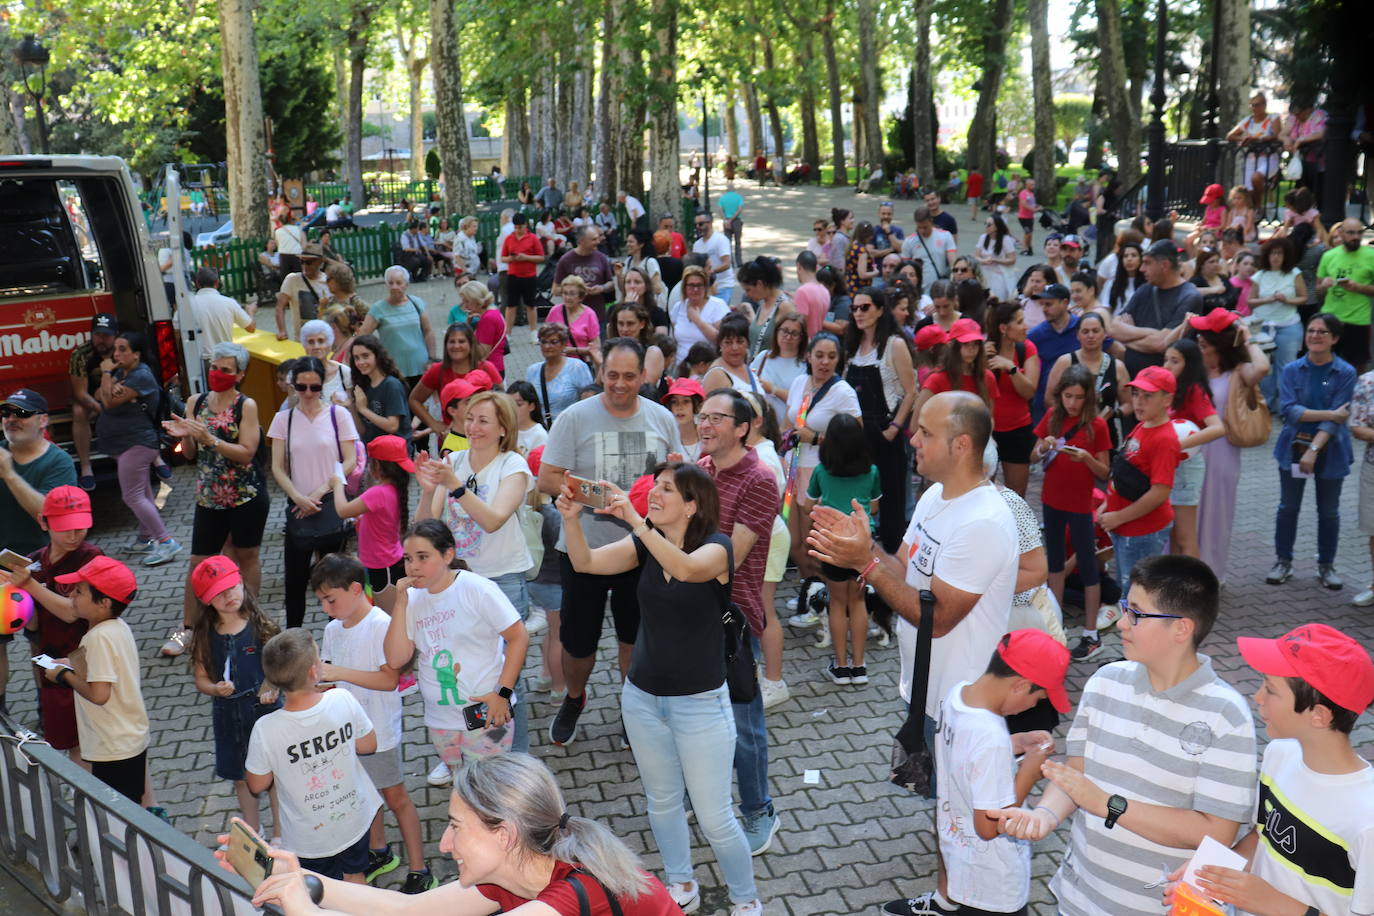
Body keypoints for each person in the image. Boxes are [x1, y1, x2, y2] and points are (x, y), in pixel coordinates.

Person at [806, 391, 1017, 910]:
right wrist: (864, 547)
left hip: (966, 698)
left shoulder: (983, 521)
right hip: (928, 686)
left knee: (967, 813)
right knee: (947, 806)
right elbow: (904, 572)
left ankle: (973, 900)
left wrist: (865, 564)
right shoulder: (934, 496)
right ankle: (948, 898)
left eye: (925, 432)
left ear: (961, 444)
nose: (912, 440)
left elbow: (937, 617)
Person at [556, 463, 765, 915]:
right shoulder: (643, 543)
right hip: (643, 698)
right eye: (654, 486)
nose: (654, 494)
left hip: (701, 705)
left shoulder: (717, 547)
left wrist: (635, 521)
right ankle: (681, 883)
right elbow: (585, 562)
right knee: (663, 802)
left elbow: (687, 570)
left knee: (715, 817)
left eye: (667, 489)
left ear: (692, 505)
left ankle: (746, 900)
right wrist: (572, 520)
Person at [236, 753, 681, 915]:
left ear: (504, 834)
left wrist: (301, 911)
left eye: (454, 827)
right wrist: (307, 884)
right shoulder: (513, 872)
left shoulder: (573, 895)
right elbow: (405, 909)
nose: (444, 846)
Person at [1171, 624, 1374, 916]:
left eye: (1270, 689)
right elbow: (1263, 835)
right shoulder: (1280, 754)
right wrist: (1212, 875)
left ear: (1318, 716)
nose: (1257, 697)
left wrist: (1273, 903)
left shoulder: (1367, 820)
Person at [536, 340, 681, 747]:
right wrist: (596, 498)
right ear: (601, 373)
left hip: (644, 548)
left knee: (635, 638)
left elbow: (678, 476)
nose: (619, 384)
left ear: (644, 377)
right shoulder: (574, 418)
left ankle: (633, 710)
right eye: (612, 375)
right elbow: (547, 478)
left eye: (629, 376)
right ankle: (575, 698)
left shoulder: (662, 418)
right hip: (584, 551)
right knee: (578, 642)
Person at [893, 630, 1068, 916]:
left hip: (960, 859)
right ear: (1021, 685)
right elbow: (989, 827)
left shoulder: (957, 695)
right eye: (1039, 699)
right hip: (994, 884)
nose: (1035, 706)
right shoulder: (991, 738)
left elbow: (967, 756)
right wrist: (1028, 772)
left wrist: (1018, 742)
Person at [311, 554, 434, 894]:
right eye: (320, 601)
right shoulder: (333, 629)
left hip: (378, 732)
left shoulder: (381, 624)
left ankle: (421, 869)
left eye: (330, 599)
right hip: (347, 733)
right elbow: (331, 678)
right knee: (366, 797)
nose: (325, 608)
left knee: (396, 799)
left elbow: (389, 681)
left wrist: (337, 674)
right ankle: (379, 852)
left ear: (354, 589)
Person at [694, 389, 784, 855]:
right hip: (692, 610)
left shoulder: (759, 480)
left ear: (743, 427)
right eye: (701, 416)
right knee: (700, 720)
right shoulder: (702, 470)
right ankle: (710, 801)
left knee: (744, 725)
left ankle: (758, 810)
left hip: (734, 617)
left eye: (715, 418)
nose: (703, 425)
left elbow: (734, 556)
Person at [382, 520, 529, 779]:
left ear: (448, 554)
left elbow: (518, 637)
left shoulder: (476, 589)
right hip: (441, 721)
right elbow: (395, 659)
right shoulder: (413, 600)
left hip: (486, 716)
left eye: (422, 557)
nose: (413, 566)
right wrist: (401, 604)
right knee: (463, 787)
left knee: (489, 791)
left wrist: (502, 693)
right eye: (408, 558)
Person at [243, 628, 381, 883]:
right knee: (355, 875)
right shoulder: (341, 699)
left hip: (308, 835)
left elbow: (256, 784)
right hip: (353, 819)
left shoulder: (266, 728)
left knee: (321, 890)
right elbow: (368, 745)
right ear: (313, 672)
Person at [161, 342, 269, 658]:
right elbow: (192, 455)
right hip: (209, 498)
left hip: (245, 495)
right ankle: (188, 629)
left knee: (246, 557)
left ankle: (250, 621)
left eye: (225, 369)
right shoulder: (196, 402)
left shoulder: (245, 406)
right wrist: (186, 436)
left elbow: (247, 452)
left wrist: (211, 439)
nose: (217, 374)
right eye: (214, 367)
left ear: (239, 374)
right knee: (199, 562)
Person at [0, 486, 99, 762]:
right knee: (70, 744)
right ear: (44, 522)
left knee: (100, 742)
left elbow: (72, 613)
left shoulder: (91, 557)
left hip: (88, 660)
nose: (74, 534)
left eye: (81, 527)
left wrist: (29, 585)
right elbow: (30, 625)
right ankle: (87, 803)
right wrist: (10, 595)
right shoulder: (33, 562)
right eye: (66, 527)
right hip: (52, 664)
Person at [40, 557, 149, 803]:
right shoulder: (117, 627)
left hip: (112, 746)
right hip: (129, 738)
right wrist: (69, 664)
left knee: (121, 813)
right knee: (132, 805)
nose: (72, 597)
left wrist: (63, 676)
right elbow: (105, 668)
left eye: (79, 592)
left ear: (103, 603)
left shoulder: (97, 638)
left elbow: (99, 694)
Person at [186, 556, 281, 835]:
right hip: (228, 716)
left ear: (242, 583)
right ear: (206, 600)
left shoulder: (260, 624)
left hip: (264, 713)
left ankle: (279, 833)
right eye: (218, 592)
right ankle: (254, 832)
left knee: (274, 776)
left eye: (232, 587)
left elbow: (280, 666)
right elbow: (201, 679)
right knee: (242, 778)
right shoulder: (205, 635)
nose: (229, 596)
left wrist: (271, 685)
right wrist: (214, 689)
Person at [268, 357, 360, 629]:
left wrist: (321, 491)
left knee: (334, 582)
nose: (308, 394)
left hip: (330, 503)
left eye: (314, 387)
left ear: (322, 385)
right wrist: (297, 496)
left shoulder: (338, 415)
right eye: (301, 387)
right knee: (294, 582)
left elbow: (350, 460)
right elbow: (277, 466)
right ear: (292, 385)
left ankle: (338, 638)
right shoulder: (283, 419)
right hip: (298, 507)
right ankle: (293, 639)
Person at [1267, 312, 1356, 590]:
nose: (1315, 336)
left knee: (1329, 512)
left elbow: (1337, 421)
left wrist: (1314, 449)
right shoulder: (1293, 369)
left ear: (1335, 339)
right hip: (1293, 447)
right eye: (1311, 330)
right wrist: (1329, 412)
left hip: (1330, 451)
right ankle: (1283, 561)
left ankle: (1326, 565)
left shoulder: (1346, 372)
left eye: (1322, 332)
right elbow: (1289, 411)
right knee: (1288, 508)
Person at [1030, 366, 1111, 661]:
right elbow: (1033, 454)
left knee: (1088, 567)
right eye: (1068, 396)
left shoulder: (1096, 426)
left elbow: (1105, 470)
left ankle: (1091, 633)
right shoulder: (1053, 418)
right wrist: (1044, 447)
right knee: (1054, 566)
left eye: (1079, 397)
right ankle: (1056, 629)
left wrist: (1087, 458)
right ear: (1060, 394)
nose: (1073, 403)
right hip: (1052, 502)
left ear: (1088, 397)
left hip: (1080, 506)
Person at [1188, 309, 1269, 585]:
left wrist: (1246, 336)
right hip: (1190, 453)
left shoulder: (1237, 372)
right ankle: (1182, 570)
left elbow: (1262, 368)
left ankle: (1210, 575)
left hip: (1222, 454)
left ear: (1219, 347)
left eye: (1204, 345)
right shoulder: (1193, 368)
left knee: (1216, 515)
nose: (1199, 348)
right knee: (1187, 512)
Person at [805, 413, 880, 685]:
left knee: (837, 602)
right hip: (862, 541)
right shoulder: (872, 471)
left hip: (831, 543)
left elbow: (807, 504)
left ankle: (840, 666)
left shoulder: (820, 471)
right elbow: (873, 507)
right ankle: (859, 667)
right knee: (858, 601)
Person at [96, 331, 183, 567]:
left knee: (132, 495)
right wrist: (110, 383)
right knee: (142, 492)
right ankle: (146, 538)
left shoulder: (141, 375)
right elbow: (98, 394)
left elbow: (108, 402)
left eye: (123, 349)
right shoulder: (123, 372)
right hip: (125, 443)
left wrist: (106, 374)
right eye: (116, 349)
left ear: (137, 354)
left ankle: (166, 542)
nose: (116, 354)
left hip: (137, 443)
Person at [843, 287, 916, 550]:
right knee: (858, 504)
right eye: (854, 308)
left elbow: (911, 391)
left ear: (880, 309)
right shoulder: (851, 346)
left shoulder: (894, 345)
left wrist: (895, 428)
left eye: (865, 307)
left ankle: (893, 569)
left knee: (891, 506)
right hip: (857, 439)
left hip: (886, 436)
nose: (858, 313)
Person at [331, 435, 412, 596]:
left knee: (388, 615)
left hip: (381, 566)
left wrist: (337, 483)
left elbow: (342, 510)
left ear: (376, 465)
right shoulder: (393, 488)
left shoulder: (377, 493)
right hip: (385, 560)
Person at [1112, 239, 1204, 377]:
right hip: (1132, 381)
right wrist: (1150, 332)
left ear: (1164, 265)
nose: (1142, 268)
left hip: (1163, 385)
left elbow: (1161, 344)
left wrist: (1127, 337)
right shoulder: (1144, 289)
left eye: (1147, 263)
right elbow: (1113, 328)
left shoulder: (1189, 297)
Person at [984, 301, 1040, 496]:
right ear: (1003, 328)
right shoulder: (983, 350)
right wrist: (980, 361)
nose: (1026, 326)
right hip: (987, 430)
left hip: (1018, 429)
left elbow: (1029, 391)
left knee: (1016, 494)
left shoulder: (1027, 348)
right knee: (983, 491)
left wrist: (1011, 368)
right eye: (1019, 322)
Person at [359, 266, 436, 390]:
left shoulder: (417, 303)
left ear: (406, 284)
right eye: (390, 283)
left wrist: (432, 359)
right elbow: (362, 337)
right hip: (394, 369)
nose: (394, 286)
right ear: (386, 285)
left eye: (398, 283)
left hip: (421, 366)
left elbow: (428, 331)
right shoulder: (378, 309)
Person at [1316, 218, 1374, 372]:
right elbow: (1317, 290)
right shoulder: (1329, 256)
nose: (1356, 236)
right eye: (1351, 233)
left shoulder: (1371, 256)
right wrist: (1323, 285)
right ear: (1341, 233)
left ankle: (1356, 395)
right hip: (1331, 318)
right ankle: (1328, 393)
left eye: (1359, 232)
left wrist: (1359, 287)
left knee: (1357, 365)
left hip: (1359, 320)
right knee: (1326, 362)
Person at [914, 317, 996, 424]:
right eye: (965, 344)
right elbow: (915, 425)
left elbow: (989, 418)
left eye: (976, 343)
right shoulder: (936, 379)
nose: (971, 349)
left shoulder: (987, 377)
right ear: (953, 346)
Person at [1026, 283, 1081, 420]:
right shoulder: (1035, 335)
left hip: (1078, 403)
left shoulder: (1083, 328)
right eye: (1042, 304)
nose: (1044, 309)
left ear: (1065, 303)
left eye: (1049, 304)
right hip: (1044, 407)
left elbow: (1112, 350)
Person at [526, 323, 595, 427]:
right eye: (543, 342)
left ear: (563, 344)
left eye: (553, 342)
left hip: (570, 429)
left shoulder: (577, 367)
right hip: (542, 432)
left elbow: (589, 403)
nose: (547, 346)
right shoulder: (532, 371)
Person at [347, 335, 411, 447]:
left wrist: (363, 409)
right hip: (373, 455)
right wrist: (352, 406)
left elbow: (392, 426)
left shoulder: (391, 385)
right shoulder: (363, 386)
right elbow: (362, 430)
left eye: (365, 356)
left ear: (377, 356)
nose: (360, 362)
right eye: (356, 358)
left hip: (394, 456)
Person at [750, 313, 807, 431]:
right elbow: (748, 384)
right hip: (758, 427)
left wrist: (773, 389)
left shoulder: (805, 366)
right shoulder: (763, 357)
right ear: (776, 332)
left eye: (794, 333)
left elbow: (803, 403)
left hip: (786, 431)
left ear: (802, 338)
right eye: (784, 331)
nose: (788, 336)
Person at [188, 267, 256, 362]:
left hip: (197, 362)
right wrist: (251, 312)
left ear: (197, 283)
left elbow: (177, 331)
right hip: (224, 360)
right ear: (217, 282)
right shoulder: (229, 303)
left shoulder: (187, 304)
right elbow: (251, 328)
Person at [501, 213, 547, 344]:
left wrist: (526, 257)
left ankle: (533, 333)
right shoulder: (509, 239)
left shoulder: (532, 238)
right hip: (513, 275)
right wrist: (512, 258)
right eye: (515, 227)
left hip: (529, 276)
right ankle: (508, 334)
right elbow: (503, 257)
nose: (517, 230)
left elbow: (541, 257)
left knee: (531, 305)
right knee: (511, 306)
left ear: (525, 226)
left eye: (520, 227)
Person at [449, 280, 508, 380]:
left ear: (477, 300)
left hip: (490, 370)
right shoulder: (492, 312)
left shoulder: (487, 318)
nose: (464, 305)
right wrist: (468, 324)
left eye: (467, 301)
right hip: (495, 367)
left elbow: (481, 352)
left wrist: (468, 335)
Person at [555, 226, 616, 318]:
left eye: (597, 238)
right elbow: (555, 290)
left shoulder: (602, 258)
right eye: (593, 239)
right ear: (581, 241)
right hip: (574, 316)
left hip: (598, 315)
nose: (598, 242)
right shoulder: (566, 260)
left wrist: (602, 288)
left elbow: (611, 283)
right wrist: (576, 289)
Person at [275, 243, 332, 343]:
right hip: (302, 343)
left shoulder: (329, 281)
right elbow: (280, 307)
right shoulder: (292, 279)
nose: (305, 266)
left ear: (320, 262)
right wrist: (282, 330)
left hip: (326, 342)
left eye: (309, 262)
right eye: (302, 262)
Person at [609, 300, 667, 391]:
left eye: (630, 324)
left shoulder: (652, 352)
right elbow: (600, 384)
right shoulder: (611, 352)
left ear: (642, 324)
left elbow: (645, 388)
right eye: (620, 323)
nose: (624, 329)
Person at [670, 265, 729, 352]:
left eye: (699, 285)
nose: (695, 289)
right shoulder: (678, 307)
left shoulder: (718, 305)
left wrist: (698, 320)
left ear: (705, 287)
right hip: (682, 363)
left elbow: (722, 341)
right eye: (691, 285)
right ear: (684, 287)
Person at [900, 206, 957, 294]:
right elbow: (904, 268)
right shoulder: (909, 241)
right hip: (919, 290)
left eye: (925, 227)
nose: (922, 231)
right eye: (919, 227)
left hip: (940, 286)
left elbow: (952, 261)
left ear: (931, 221)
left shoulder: (945, 236)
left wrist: (954, 277)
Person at [550, 276, 603, 370]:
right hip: (557, 365)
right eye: (565, 293)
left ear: (581, 297)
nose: (567, 297)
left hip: (580, 367)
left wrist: (571, 350)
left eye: (572, 294)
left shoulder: (589, 314)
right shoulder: (554, 311)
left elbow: (596, 347)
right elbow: (545, 337)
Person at [299, 319, 353, 408]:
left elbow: (352, 406)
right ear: (305, 346)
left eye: (321, 341)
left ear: (329, 343)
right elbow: (293, 409)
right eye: (311, 342)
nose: (316, 346)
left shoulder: (344, 372)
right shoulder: (296, 374)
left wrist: (344, 405)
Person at [702, 315, 762, 395]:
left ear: (747, 343)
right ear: (720, 344)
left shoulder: (747, 368)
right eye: (728, 342)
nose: (734, 348)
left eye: (740, 341)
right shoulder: (716, 375)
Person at [692, 213, 735, 302]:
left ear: (710, 222)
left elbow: (726, 264)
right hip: (706, 288)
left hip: (723, 285)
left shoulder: (720, 240)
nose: (698, 227)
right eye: (695, 224)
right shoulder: (697, 245)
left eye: (700, 224)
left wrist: (710, 272)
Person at [719, 187, 745, 266]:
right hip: (736, 221)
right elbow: (739, 209)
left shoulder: (722, 198)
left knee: (727, 243)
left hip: (726, 221)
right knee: (738, 242)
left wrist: (726, 220)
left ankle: (730, 262)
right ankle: (739, 262)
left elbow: (720, 210)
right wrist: (732, 219)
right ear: (734, 190)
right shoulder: (738, 197)